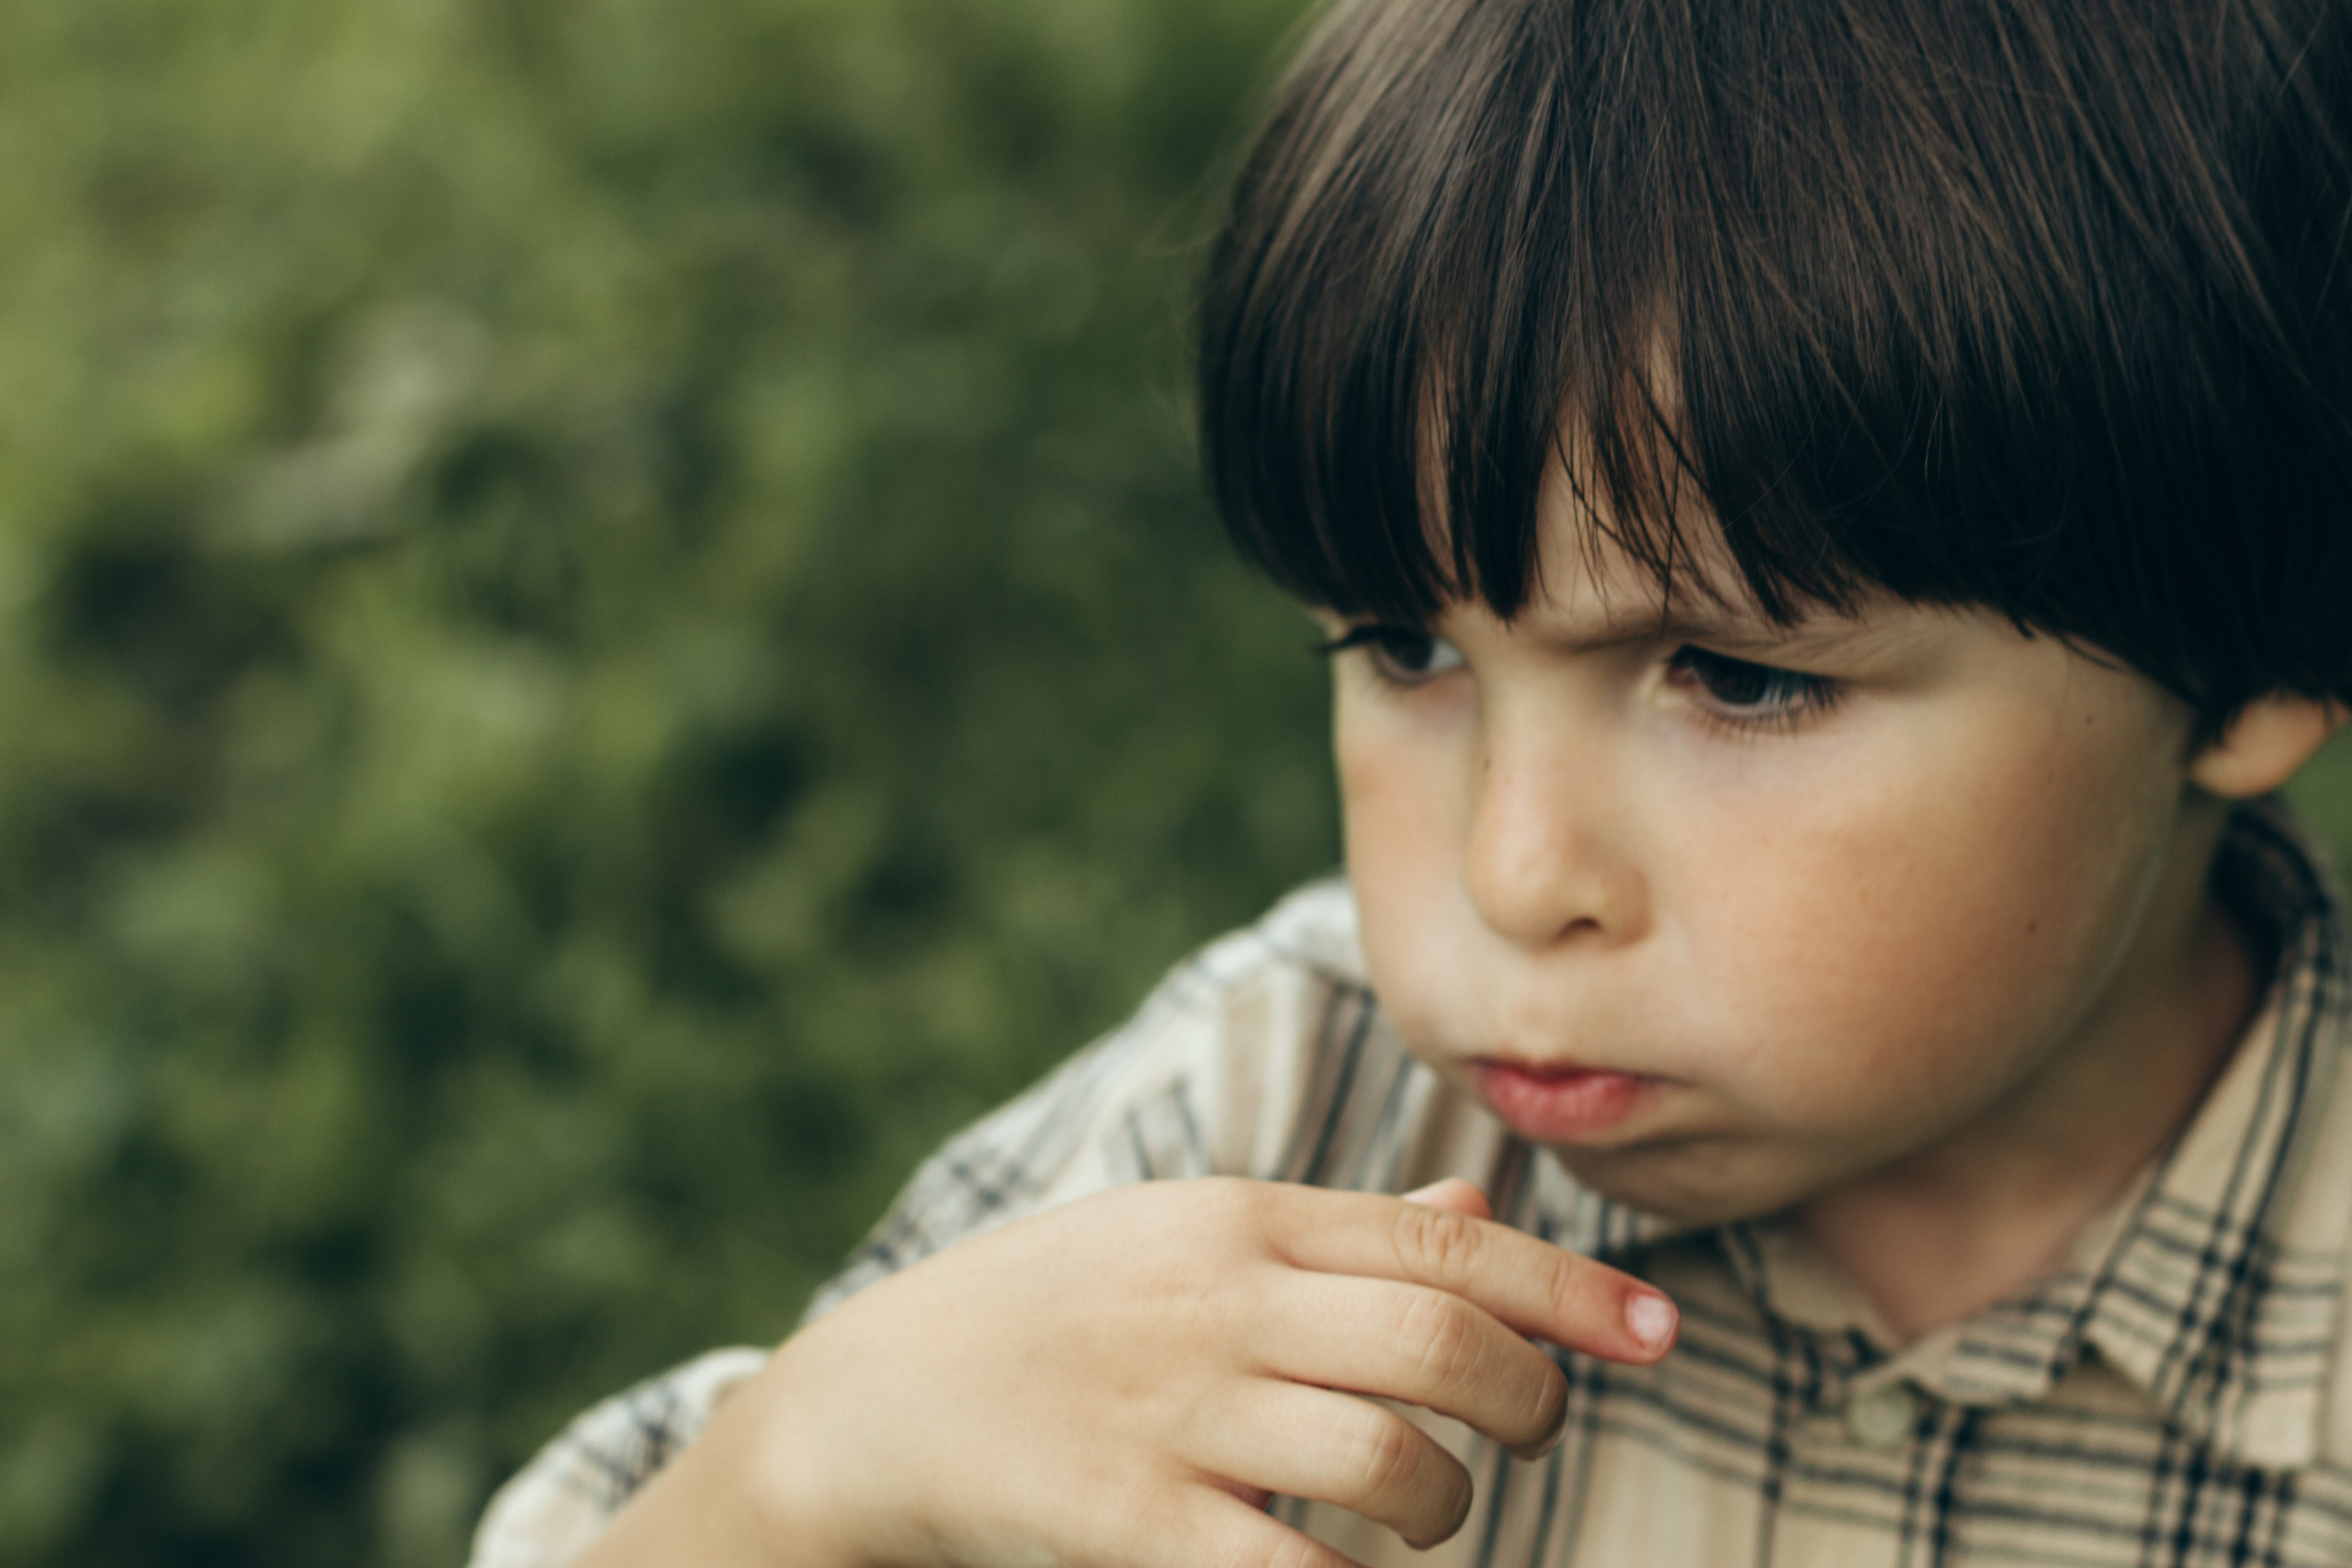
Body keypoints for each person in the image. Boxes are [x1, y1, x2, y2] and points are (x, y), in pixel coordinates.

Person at [469, 0, 2352, 1562]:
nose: (1510, 868)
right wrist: (812, 1463)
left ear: (2259, 647)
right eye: (1405, 647)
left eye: (1741, 676)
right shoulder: (1282, 1104)